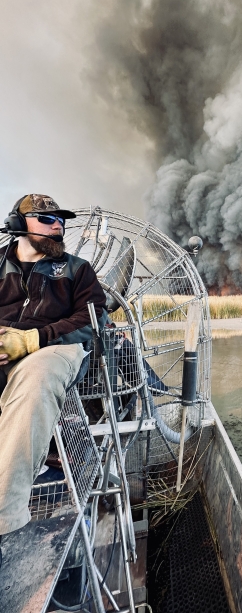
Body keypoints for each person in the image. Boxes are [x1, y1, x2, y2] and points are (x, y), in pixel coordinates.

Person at [0, 194, 106, 563]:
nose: (57, 225)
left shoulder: (77, 270)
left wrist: (32, 339)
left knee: (35, 377)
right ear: (18, 226)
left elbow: (93, 323)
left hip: (54, 350)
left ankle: (5, 521)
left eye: (60, 219)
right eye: (46, 219)